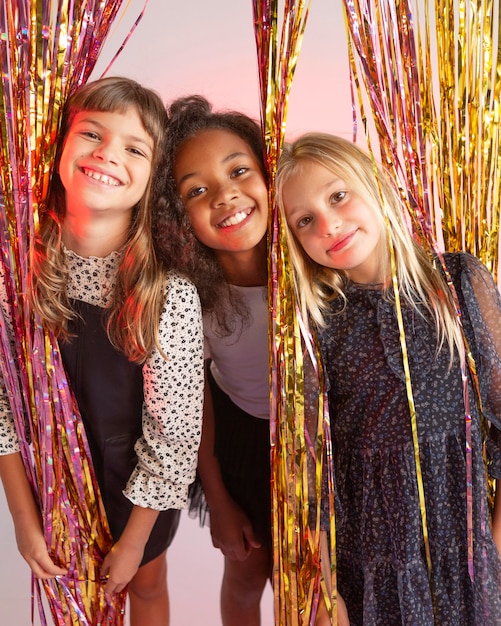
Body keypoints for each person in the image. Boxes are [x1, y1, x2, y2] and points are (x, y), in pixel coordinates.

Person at [0, 76, 204, 626]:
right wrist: (23, 517)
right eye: (91, 133)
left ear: (151, 179)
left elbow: (174, 439)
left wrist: (136, 541)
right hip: (49, 480)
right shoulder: (15, 274)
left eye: (134, 148)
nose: (107, 154)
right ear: (58, 148)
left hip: (138, 490)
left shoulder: (168, 297)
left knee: (145, 580)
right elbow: (2, 405)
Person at [275, 131, 501, 625]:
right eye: (306, 220)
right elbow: (310, 471)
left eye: (338, 196)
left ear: (375, 185)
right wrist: (327, 588)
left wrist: (495, 544)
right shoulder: (317, 326)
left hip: (471, 547)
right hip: (374, 560)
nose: (329, 224)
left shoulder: (458, 282)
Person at [154, 95, 272, 626]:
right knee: (247, 577)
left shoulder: (319, 258)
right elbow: (196, 393)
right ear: (179, 219)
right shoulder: (189, 297)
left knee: (323, 587)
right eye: (196, 190)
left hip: (331, 445)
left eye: (239, 170)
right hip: (242, 442)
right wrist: (218, 497)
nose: (225, 195)